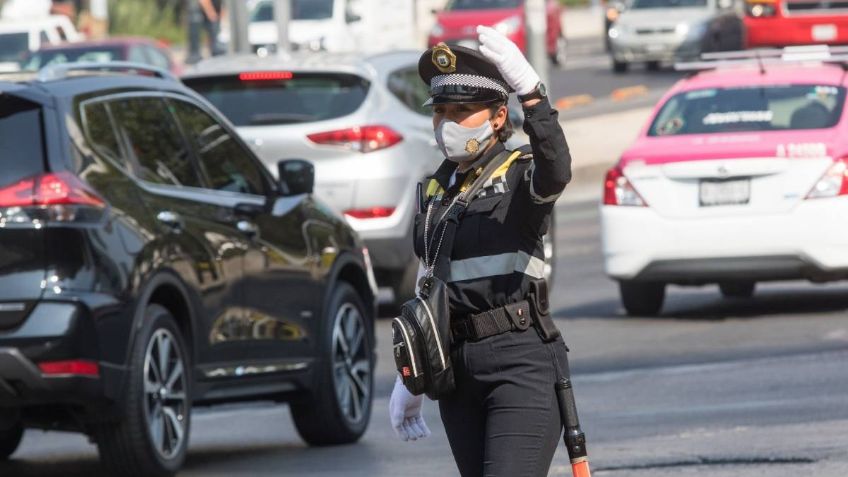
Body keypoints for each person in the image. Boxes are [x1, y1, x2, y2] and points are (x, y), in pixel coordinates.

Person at [389, 26, 574, 477]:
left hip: (520, 363)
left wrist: (532, 93)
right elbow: (429, 281)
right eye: (441, 112)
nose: (447, 123)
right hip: (456, 371)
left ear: (496, 117)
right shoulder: (436, 190)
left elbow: (558, 169)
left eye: (463, 111)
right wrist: (410, 373)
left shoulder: (520, 174)